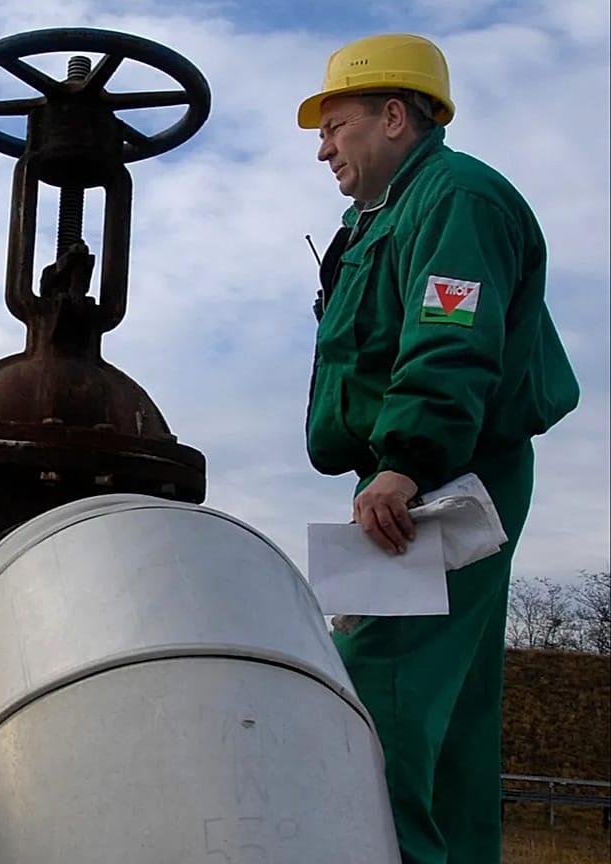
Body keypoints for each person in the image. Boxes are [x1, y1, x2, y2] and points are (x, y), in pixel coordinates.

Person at [298, 33, 580, 863]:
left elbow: (450, 338)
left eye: (335, 125)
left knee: (374, 694)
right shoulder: (374, 220)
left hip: (449, 473)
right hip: (415, 468)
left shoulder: (457, 198)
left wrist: (407, 462)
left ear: (394, 116)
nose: (323, 149)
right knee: (451, 718)